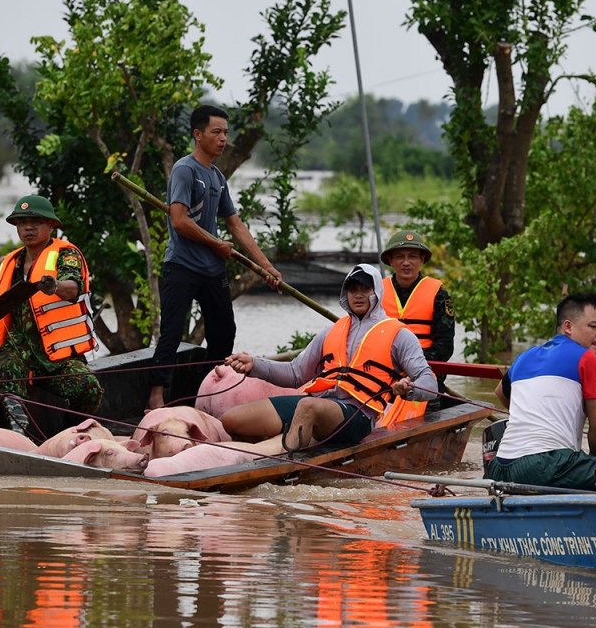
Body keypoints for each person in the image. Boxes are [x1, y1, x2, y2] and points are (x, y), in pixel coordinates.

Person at [147, 104, 283, 412]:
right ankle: (156, 394)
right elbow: (179, 220)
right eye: (216, 132)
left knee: (224, 331)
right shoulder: (185, 170)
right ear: (198, 134)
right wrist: (215, 243)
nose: (223, 139)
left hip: (211, 268)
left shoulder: (217, 177)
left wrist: (266, 266)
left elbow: (235, 224)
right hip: (182, 265)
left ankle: (206, 392)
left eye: (225, 132)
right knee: (171, 331)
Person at [222, 264, 437, 452]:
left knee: (307, 406)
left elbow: (430, 382)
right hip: (320, 405)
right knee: (231, 420)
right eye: (353, 289)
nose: (358, 295)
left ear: (377, 292)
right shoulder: (331, 331)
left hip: (358, 415)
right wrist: (254, 365)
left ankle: (287, 465)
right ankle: (276, 449)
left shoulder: (399, 334)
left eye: (365, 289)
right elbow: (295, 374)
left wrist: (409, 390)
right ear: (345, 293)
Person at [0, 195, 103, 436]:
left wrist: (54, 286)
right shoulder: (10, 262)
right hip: (16, 351)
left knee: (89, 388)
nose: (28, 227)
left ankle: (72, 435)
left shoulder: (66, 255)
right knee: (7, 372)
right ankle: (19, 435)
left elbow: (74, 287)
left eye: (35, 222)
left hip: (56, 356)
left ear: (51, 226)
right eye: (22, 222)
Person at [484, 292, 596, 490]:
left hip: (500, 467)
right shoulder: (586, 358)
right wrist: (592, 464)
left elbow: (500, 392)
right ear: (568, 326)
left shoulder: (525, 357)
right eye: (594, 327)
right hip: (544, 466)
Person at [379, 229, 455, 409]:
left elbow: (445, 348)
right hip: (383, 371)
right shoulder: (377, 293)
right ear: (391, 261)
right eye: (400, 257)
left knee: (428, 403)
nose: (406, 262)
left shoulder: (439, 295)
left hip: (425, 373)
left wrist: (409, 362)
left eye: (412, 256)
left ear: (421, 260)